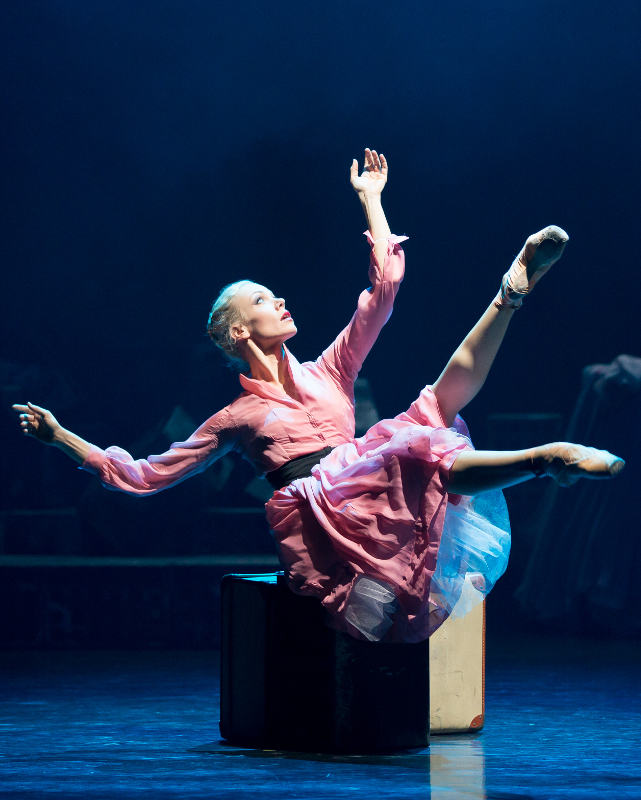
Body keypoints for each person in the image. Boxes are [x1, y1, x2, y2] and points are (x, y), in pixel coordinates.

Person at [12, 149, 624, 643]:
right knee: (410, 443)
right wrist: (60, 436)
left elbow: (383, 291)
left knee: (435, 408)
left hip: (372, 484)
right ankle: (545, 459)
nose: (280, 301)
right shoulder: (237, 417)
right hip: (328, 523)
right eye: (261, 300)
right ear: (236, 332)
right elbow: (145, 476)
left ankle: (510, 297)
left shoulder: (326, 370)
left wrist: (373, 201)